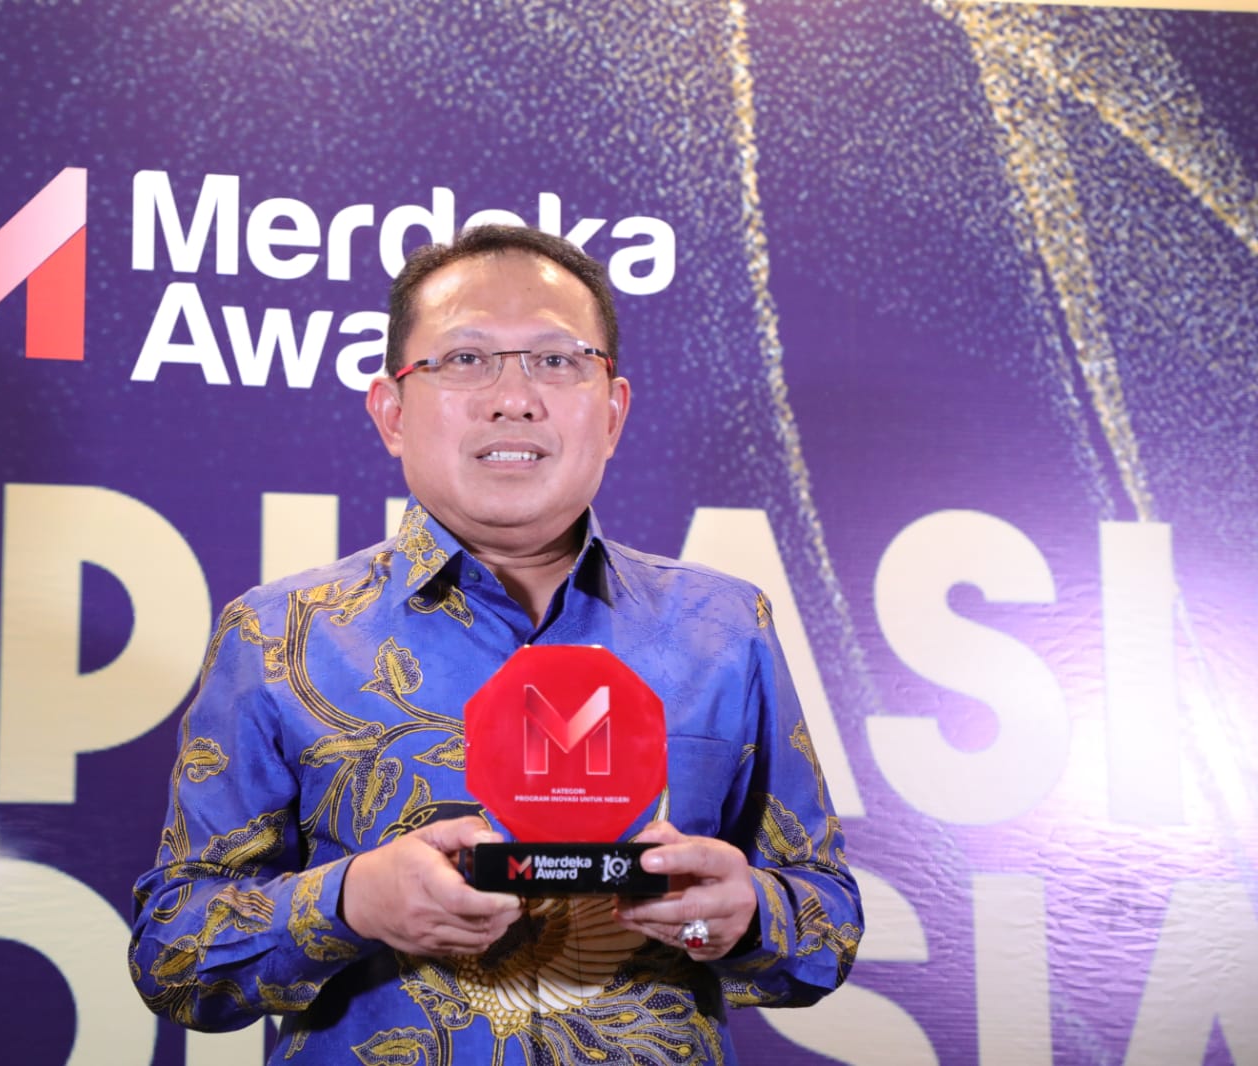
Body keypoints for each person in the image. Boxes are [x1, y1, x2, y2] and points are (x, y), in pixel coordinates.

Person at [130, 225, 862, 1064]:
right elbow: (172, 959)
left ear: (613, 411)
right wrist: (351, 903)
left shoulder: (724, 627)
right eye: (466, 359)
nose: (514, 398)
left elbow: (828, 927)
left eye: (556, 360)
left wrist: (748, 913)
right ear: (391, 412)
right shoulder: (277, 635)